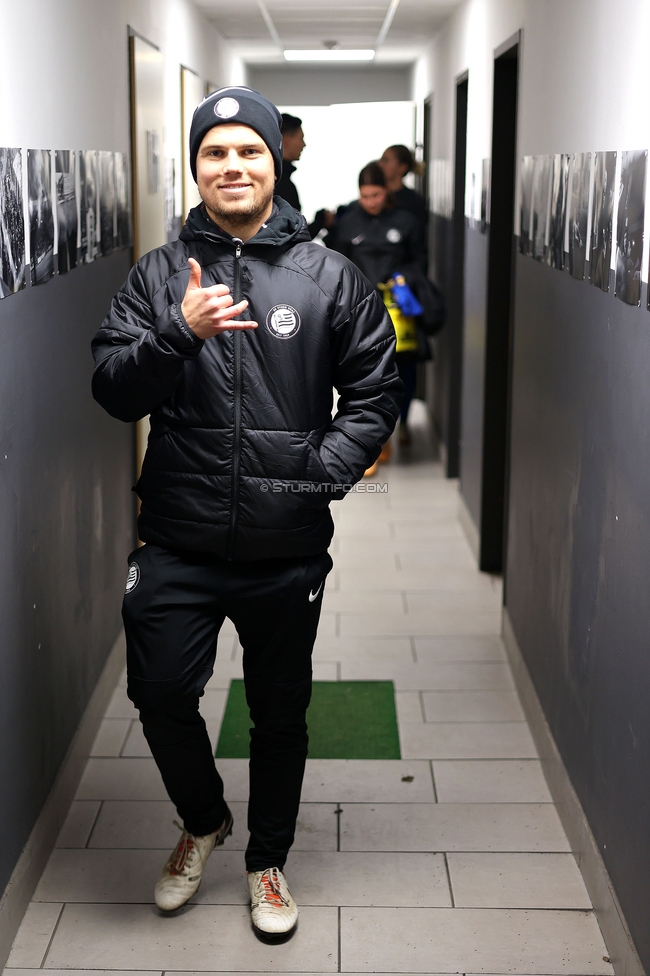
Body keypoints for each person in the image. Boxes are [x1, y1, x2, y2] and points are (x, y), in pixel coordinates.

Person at [91, 87, 401, 941]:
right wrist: (176, 335)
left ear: (275, 164)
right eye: (215, 153)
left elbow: (376, 391)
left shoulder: (328, 274)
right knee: (158, 693)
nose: (232, 166)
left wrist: (317, 475)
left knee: (278, 710)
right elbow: (113, 391)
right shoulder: (157, 275)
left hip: (285, 548)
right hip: (176, 538)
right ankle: (203, 820)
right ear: (195, 169)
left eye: (249, 152)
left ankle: (267, 858)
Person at [328, 161, 426, 455]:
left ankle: (403, 420)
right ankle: (376, 436)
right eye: (365, 196)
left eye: (376, 195)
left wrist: (404, 278)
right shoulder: (348, 223)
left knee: (403, 366)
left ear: (387, 192)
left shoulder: (406, 221)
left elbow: (420, 260)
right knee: (366, 370)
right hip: (360, 309)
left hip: (399, 307)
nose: (371, 202)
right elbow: (335, 266)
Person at [275, 112, 334, 238]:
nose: (304, 144)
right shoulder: (280, 184)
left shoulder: (278, 180)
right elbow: (292, 237)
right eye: (301, 138)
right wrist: (321, 220)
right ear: (286, 141)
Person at [379, 144, 428, 233]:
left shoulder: (414, 202)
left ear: (402, 167)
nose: (380, 164)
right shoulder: (375, 197)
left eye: (386, 160)